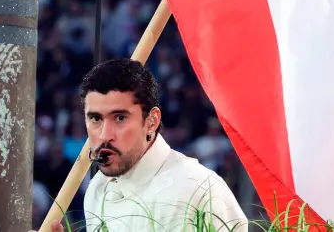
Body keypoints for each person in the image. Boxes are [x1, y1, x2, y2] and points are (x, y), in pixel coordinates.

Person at [33, 58, 248, 232]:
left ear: (152, 121)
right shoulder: (98, 188)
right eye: (96, 119)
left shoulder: (199, 188)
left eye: (119, 118)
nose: (105, 135)